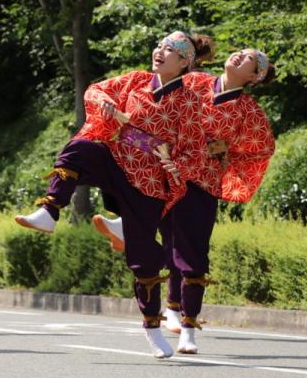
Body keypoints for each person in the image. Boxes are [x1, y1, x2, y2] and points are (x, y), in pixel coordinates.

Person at [14, 31, 212, 358]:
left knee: (145, 259)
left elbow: (193, 152)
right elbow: (95, 90)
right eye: (159, 46)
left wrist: (172, 161)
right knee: (79, 148)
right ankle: (50, 211)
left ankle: (151, 325)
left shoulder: (188, 101)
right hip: (118, 159)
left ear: (182, 63)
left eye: (169, 50)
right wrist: (106, 105)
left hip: (148, 183)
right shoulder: (135, 80)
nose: (159, 52)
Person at [94, 48, 276, 354]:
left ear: (253, 77)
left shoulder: (248, 110)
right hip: (167, 165)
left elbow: (262, 147)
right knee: (139, 187)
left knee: (191, 254)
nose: (239, 56)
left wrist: (225, 151)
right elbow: (162, 105)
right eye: (241, 52)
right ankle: (126, 224)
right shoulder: (193, 81)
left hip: (201, 179)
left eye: (249, 60)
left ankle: (189, 327)